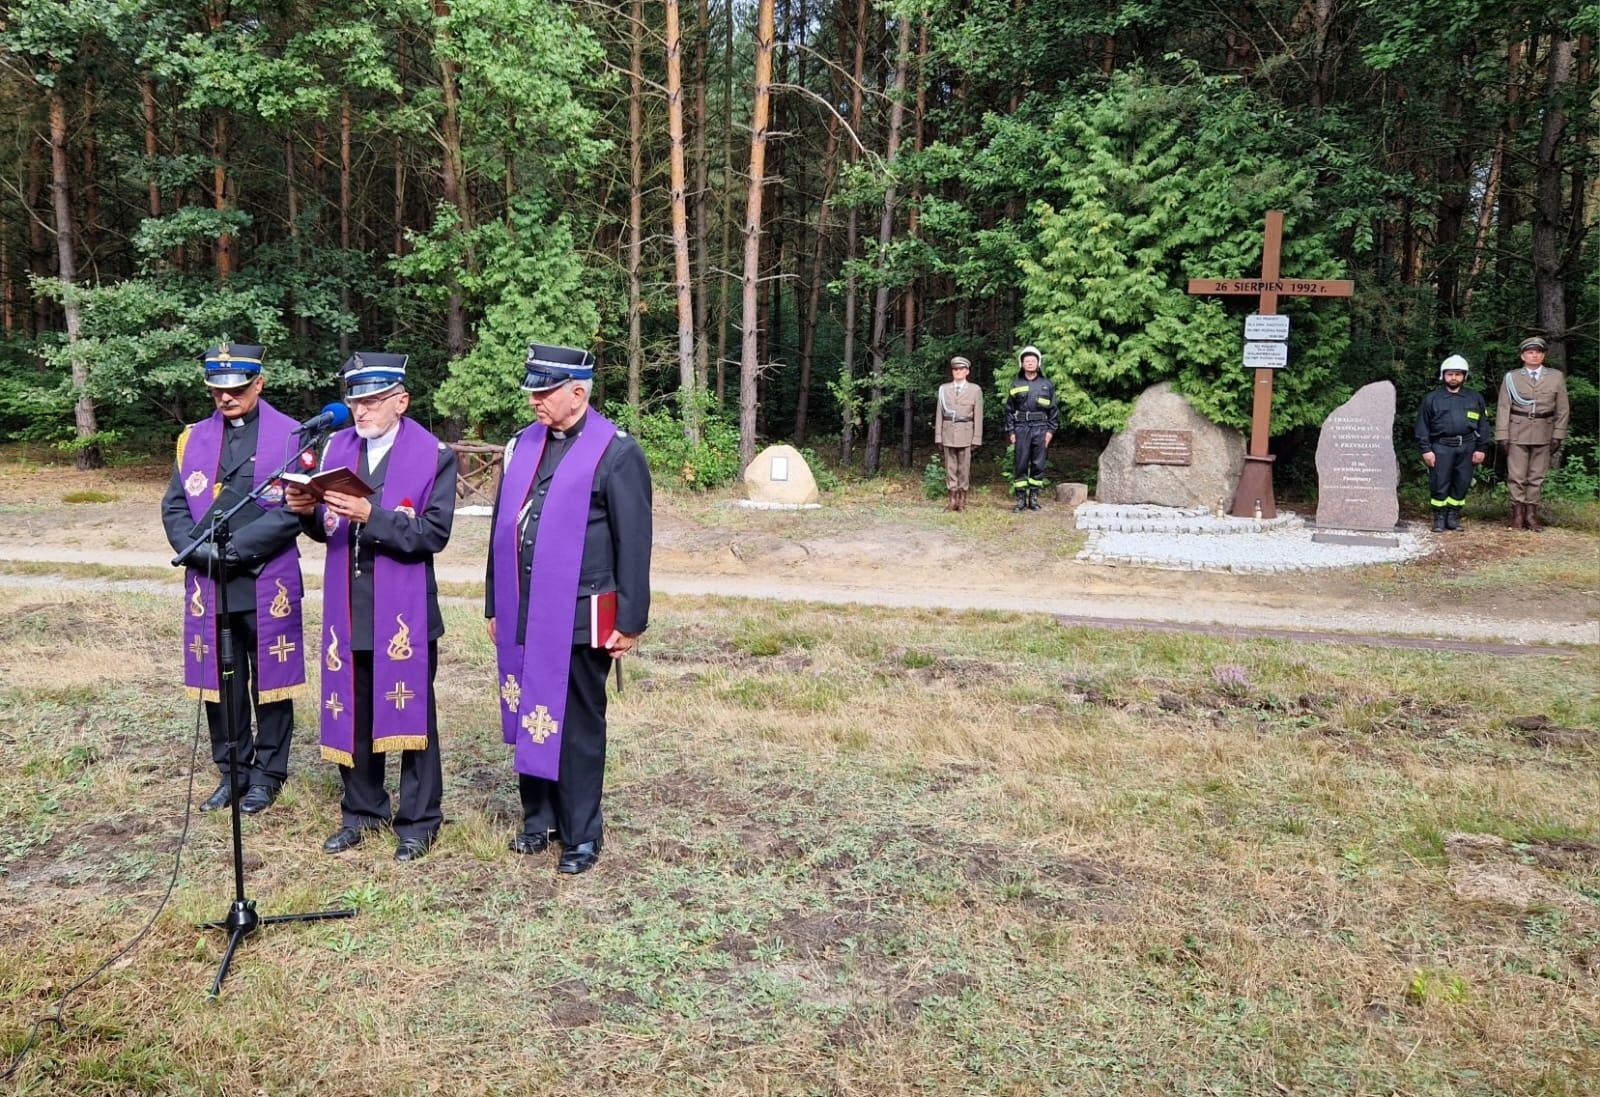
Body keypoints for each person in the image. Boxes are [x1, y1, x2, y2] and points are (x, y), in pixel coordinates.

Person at [486, 343, 652, 875]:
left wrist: (631, 619)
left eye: (544, 391)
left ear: (577, 393)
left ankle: (581, 833)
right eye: (533, 390)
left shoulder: (617, 452)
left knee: (577, 722)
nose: (535, 400)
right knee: (527, 710)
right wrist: (495, 601)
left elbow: (635, 542)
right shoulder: (521, 446)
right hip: (524, 608)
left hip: (581, 613)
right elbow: (501, 530)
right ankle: (540, 820)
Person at [285, 353, 457, 862]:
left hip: (404, 613)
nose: (361, 410)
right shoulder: (338, 447)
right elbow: (327, 527)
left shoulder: (432, 454)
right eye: (356, 400)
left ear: (400, 402)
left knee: (412, 717)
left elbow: (434, 533)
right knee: (352, 711)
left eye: (373, 400)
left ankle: (419, 821)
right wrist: (306, 514)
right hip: (350, 608)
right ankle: (362, 811)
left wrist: (371, 515)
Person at [161, 343, 306, 816]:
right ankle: (233, 771)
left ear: (259, 384)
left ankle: (268, 774)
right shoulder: (193, 439)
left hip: (265, 579)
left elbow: (296, 511)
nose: (226, 398)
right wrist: (197, 550)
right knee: (221, 684)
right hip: (210, 581)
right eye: (218, 390)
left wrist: (236, 551)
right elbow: (176, 504)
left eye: (237, 389)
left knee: (271, 683)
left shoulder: (293, 436)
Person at [1495, 336, 1570, 532]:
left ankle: (1531, 515)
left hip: (1544, 431)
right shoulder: (1511, 377)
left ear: (1543, 355)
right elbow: (1503, 407)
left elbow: (1563, 409)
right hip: (1517, 430)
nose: (1534, 355)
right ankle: (1517, 516)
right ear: (1523, 356)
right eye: (1530, 352)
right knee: (1517, 476)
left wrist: (1558, 435)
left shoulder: (1555, 377)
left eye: (1538, 352)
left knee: (1537, 476)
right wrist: (1502, 435)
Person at [1414, 354, 1490, 532]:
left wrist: (1481, 448)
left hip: (1467, 447)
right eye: (1450, 374)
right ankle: (1439, 518)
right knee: (1439, 482)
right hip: (1441, 447)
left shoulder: (1474, 398)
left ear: (1464, 376)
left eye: (1458, 374)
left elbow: (1483, 425)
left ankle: (1453, 516)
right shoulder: (1432, 399)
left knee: (1462, 482)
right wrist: (1426, 450)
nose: (1454, 377)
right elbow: (1422, 426)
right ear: (1443, 375)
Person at [1004, 345, 1057, 512]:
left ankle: (1033, 498)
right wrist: (1011, 431)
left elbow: (1054, 410)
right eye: (1027, 361)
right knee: (1020, 463)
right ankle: (1020, 499)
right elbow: (1009, 410)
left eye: (1033, 361)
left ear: (1038, 363)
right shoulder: (1016, 383)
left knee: (1038, 464)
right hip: (1021, 428)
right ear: (1022, 364)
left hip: (1041, 429)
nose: (1030, 363)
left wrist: (1050, 431)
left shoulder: (1047, 385)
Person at [933, 356, 982, 511]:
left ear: (967, 371)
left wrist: (977, 438)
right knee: (950, 467)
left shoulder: (975, 389)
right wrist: (938, 436)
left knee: (964, 468)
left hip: (966, 433)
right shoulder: (944, 389)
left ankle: (962, 500)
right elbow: (939, 414)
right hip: (948, 432)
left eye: (961, 369)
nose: (958, 372)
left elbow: (978, 415)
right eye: (955, 369)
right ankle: (952, 500)